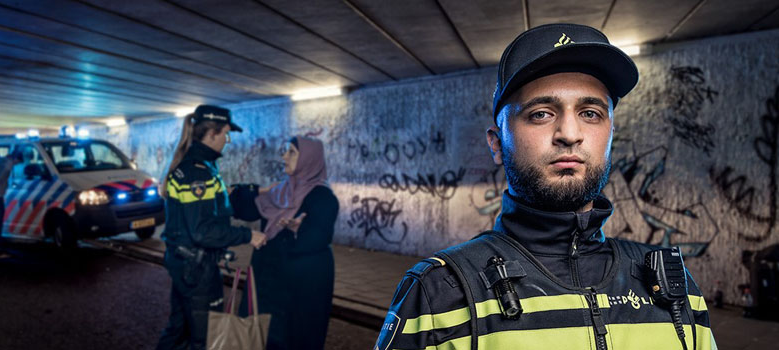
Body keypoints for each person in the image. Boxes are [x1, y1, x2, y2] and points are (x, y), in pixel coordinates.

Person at [375, 23, 716, 350]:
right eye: (541, 113)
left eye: (591, 113)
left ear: (610, 135)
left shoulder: (673, 286)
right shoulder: (440, 292)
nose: (569, 133)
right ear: (496, 144)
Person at [157, 105, 268, 350]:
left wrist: (251, 191)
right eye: (225, 134)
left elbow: (210, 201)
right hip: (197, 269)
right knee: (203, 339)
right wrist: (248, 234)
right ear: (211, 134)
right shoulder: (198, 172)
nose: (227, 140)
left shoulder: (194, 167)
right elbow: (202, 231)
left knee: (178, 329)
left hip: (184, 264)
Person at [229, 137, 339, 350]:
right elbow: (243, 207)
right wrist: (251, 190)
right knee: (262, 334)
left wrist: (298, 230)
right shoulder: (279, 192)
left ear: (308, 159)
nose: (284, 157)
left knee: (293, 337)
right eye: (285, 151)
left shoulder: (323, 197)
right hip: (269, 280)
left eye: (291, 152)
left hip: (301, 285)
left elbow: (320, 237)